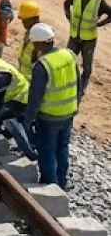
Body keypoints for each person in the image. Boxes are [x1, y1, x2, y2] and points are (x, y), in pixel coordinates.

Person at [24, 23, 80, 189]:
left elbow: (35, 97)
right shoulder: (69, 55)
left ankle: (50, 186)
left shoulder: (42, 66)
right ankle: (61, 183)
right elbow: (78, 82)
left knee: (47, 150)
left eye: (34, 44)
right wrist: (75, 105)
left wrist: (28, 119)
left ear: (40, 44)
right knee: (62, 149)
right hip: (68, 113)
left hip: (49, 117)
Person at [63, 0, 111, 96]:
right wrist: (69, 16)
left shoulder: (99, 2)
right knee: (67, 61)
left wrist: (100, 24)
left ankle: (82, 86)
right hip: (74, 36)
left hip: (89, 39)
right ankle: (67, 82)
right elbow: (66, 4)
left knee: (86, 65)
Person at [17, 0, 42, 80]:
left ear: (34, 19)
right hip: (24, 78)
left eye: (25, 20)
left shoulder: (40, 37)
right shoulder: (29, 32)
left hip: (33, 80)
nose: (23, 22)